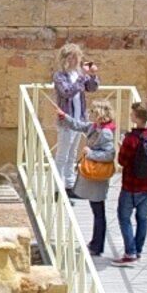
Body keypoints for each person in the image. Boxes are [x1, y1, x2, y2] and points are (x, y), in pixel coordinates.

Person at [112, 98, 147, 265]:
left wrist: (122, 146)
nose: (130, 115)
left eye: (132, 114)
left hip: (131, 186)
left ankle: (130, 252)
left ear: (137, 117)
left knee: (124, 217)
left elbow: (122, 161)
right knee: (142, 218)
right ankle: (138, 249)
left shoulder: (130, 139)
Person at [49, 43, 100, 198]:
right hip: (67, 120)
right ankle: (57, 188)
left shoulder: (78, 74)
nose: (74, 60)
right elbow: (67, 92)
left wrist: (92, 75)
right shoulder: (60, 76)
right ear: (65, 59)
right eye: (71, 57)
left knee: (72, 153)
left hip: (79, 119)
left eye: (76, 57)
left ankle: (69, 185)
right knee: (62, 154)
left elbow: (92, 88)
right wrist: (81, 78)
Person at [76, 109, 124, 256]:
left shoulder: (105, 132)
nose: (90, 114)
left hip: (98, 177)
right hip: (94, 178)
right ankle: (95, 243)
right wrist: (64, 117)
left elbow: (109, 155)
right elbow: (79, 125)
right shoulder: (95, 127)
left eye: (93, 112)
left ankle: (97, 246)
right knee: (96, 210)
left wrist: (89, 153)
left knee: (98, 212)